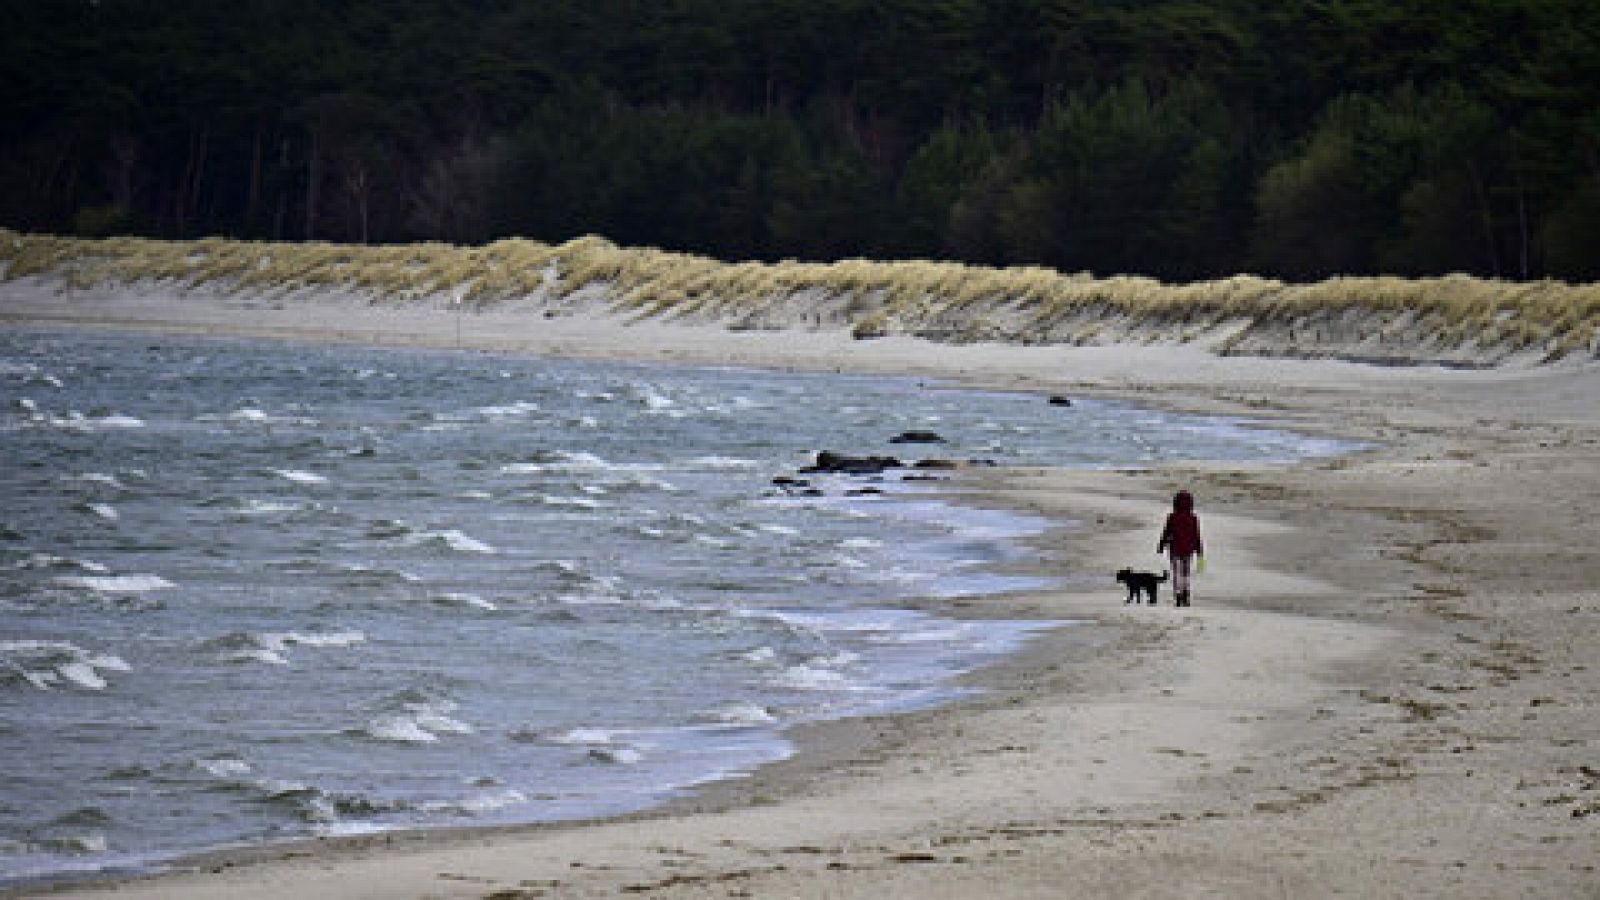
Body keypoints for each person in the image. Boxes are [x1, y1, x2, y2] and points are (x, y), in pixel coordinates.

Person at [1156, 490, 1204, 607]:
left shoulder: (1172, 517)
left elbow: (1167, 532)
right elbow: (1196, 535)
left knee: (1177, 572)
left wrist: (1161, 545)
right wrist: (1199, 550)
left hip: (1175, 549)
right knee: (1186, 573)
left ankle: (1178, 595)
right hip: (1188, 549)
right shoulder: (1193, 518)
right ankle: (1186, 594)